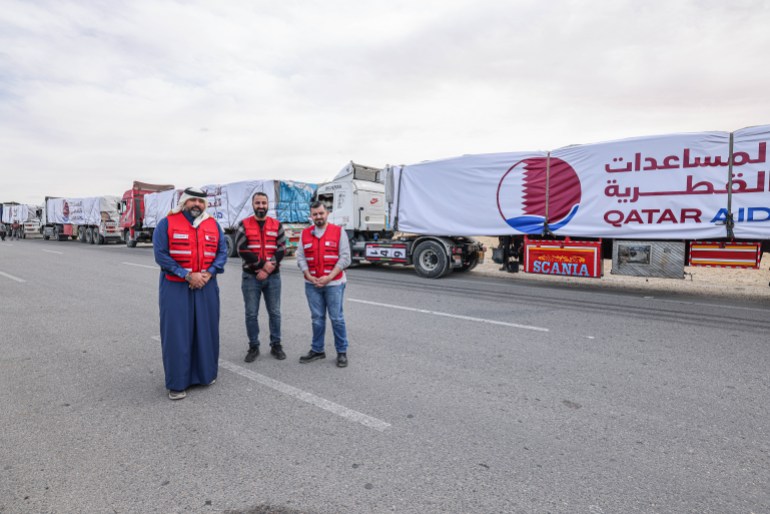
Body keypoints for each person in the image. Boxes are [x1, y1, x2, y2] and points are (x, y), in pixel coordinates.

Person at [152, 187, 228, 400]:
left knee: (207, 331)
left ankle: (206, 375)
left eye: (201, 201)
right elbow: (160, 255)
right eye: (193, 200)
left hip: (207, 285)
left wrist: (209, 273)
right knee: (177, 334)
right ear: (184, 202)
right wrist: (186, 275)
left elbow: (222, 253)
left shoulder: (213, 225)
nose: (197, 204)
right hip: (175, 286)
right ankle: (177, 384)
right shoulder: (166, 223)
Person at [296, 201, 351, 368]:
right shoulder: (304, 234)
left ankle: (341, 352)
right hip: (311, 284)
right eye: (315, 214)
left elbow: (345, 258)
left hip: (334, 283)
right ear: (311, 216)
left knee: (337, 318)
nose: (318, 217)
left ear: (327, 213)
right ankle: (318, 350)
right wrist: (308, 275)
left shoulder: (338, 231)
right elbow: (300, 257)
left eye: (321, 213)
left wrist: (329, 277)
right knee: (317, 319)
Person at [235, 191, 286, 363]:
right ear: (253, 204)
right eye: (258, 203)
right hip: (251, 278)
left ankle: (276, 345)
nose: (261, 206)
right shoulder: (244, 224)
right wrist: (262, 265)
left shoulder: (276, 224)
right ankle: (253, 346)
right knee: (251, 314)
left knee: (275, 313)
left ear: (268, 204)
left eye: (264, 203)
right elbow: (242, 249)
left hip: (273, 277)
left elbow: (282, 249)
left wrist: (268, 269)